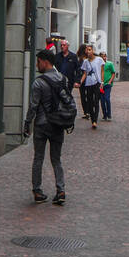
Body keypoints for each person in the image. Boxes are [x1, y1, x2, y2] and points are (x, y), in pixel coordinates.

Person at [23, 48, 69, 204]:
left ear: (45, 62)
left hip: (42, 125)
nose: (37, 64)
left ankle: (37, 191)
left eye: (38, 61)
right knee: (56, 159)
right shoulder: (63, 79)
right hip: (57, 124)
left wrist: (27, 123)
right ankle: (61, 190)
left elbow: (33, 106)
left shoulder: (38, 82)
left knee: (38, 158)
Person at [79, 42, 103, 128]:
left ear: (93, 50)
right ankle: (92, 119)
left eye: (89, 50)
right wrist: (80, 82)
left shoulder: (99, 59)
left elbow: (102, 71)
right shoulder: (85, 61)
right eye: (87, 50)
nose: (88, 51)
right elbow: (85, 73)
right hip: (88, 83)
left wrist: (102, 82)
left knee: (96, 101)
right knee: (89, 102)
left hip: (97, 82)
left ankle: (95, 121)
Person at [99, 49, 116, 120]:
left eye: (105, 56)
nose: (104, 58)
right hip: (101, 85)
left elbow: (113, 73)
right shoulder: (99, 65)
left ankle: (109, 114)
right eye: (102, 56)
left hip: (108, 84)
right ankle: (104, 115)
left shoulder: (110, 64)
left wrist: (110, 81)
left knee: (107, 98)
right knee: (102, 100)